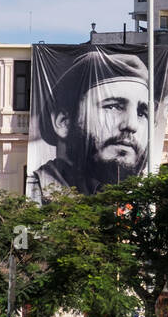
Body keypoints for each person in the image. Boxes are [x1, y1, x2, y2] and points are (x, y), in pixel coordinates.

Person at [29, 46, 151, 203]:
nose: (131, 125)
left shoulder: (139, 200)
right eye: (113, 106)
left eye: (142, 113)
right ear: (63, 122)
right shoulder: (37, 195)